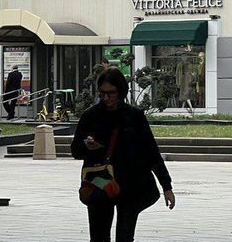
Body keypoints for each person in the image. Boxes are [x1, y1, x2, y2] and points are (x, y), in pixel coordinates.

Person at [72, 67, 175, 242]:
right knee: (98, 236)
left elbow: (151, 151)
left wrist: (167, 186)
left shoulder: (134, 116)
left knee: (125, 236)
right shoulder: (90, 116)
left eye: (111, 93)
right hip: (100, 183)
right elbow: (75, 150)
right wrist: (89, 146)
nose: (106, 98)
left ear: (121, 91)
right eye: (102, 93)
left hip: (130, 185)